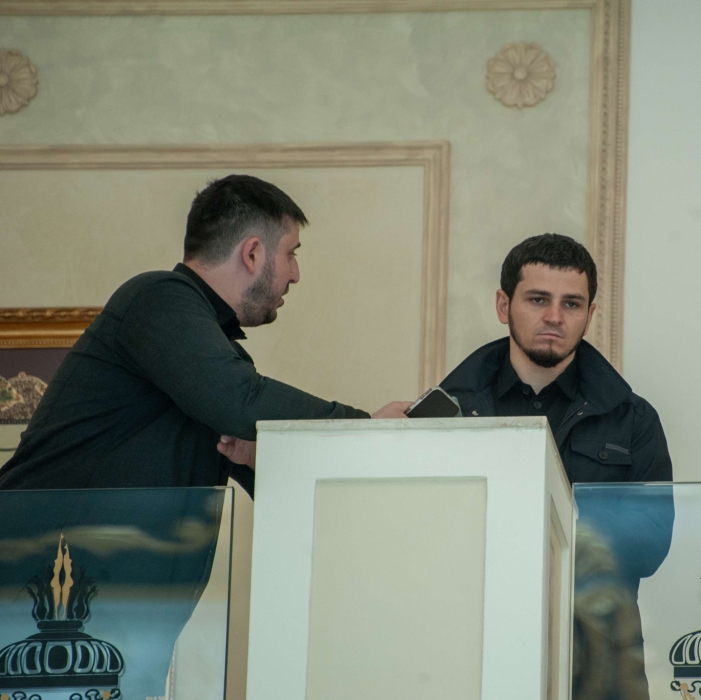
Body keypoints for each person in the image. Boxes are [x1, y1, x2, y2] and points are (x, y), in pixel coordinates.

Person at [0, 175, 409, 496]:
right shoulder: (157, 296)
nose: (296, 274)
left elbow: (275, 492)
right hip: (30, 563)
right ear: (252, 253)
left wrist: (257, 458)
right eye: (291, 253)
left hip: (82, 569)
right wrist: (362, 428)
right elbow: (241, 399)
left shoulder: (213, 351)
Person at [440, 233, 674, 700]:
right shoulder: (449, 411)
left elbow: (652, 543)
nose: (554, 316)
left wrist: (557, 532)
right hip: (473, 647)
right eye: (538, 299)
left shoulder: (633, 418)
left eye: (571, 304)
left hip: (600, 659)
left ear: (590, 314)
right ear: (504, 305)